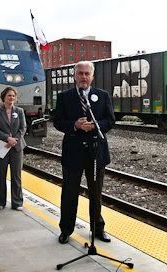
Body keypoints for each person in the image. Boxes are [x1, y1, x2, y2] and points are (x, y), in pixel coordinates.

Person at [53, 61, 115, 244]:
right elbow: (57, 121)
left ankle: (97, 228)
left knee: (96, 193)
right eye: (80, 73)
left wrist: (95, 127)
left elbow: (110, 120)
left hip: (96, 153)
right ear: (74, 76)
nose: (84, 77)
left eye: (87, 74)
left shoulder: (102, 96)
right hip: (73, 153)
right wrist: (75, 125)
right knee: (69, 193)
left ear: (92, 76)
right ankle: (66, 229)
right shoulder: (65, 96)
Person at [0, 87, 26, 211]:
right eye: (9, 96)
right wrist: (7, 138)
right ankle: (0, 202)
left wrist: (14, 140)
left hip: (17, 147)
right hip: (2, 146)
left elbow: (23, 128)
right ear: (3, 98)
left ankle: (17, 202)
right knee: (1, 175)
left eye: (13, 96)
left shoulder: (20, 111)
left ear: (15, 98)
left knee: (16, 175)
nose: (11, 98)